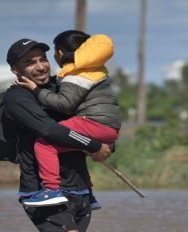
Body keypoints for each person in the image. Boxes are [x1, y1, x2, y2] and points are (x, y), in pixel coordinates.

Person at [2, 38, 112, 232]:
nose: (40, 66)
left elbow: (93, 120)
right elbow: (49, 130)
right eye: (30, 62)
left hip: (80, 185)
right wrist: (94, 146)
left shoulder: (62, 88)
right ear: (15, 70)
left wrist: (107, 145)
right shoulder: (16, 98)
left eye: (43, 59)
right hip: (42, 188)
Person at [15, 30, 121, 207]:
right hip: (109, 128)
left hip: (93, 122)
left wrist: (36, 89)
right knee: (73, 145)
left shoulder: (76, 74)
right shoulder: (96, 71)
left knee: (45, 142)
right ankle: (89, 194)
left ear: (60, 54)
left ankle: (51, 190)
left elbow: (64, 104)